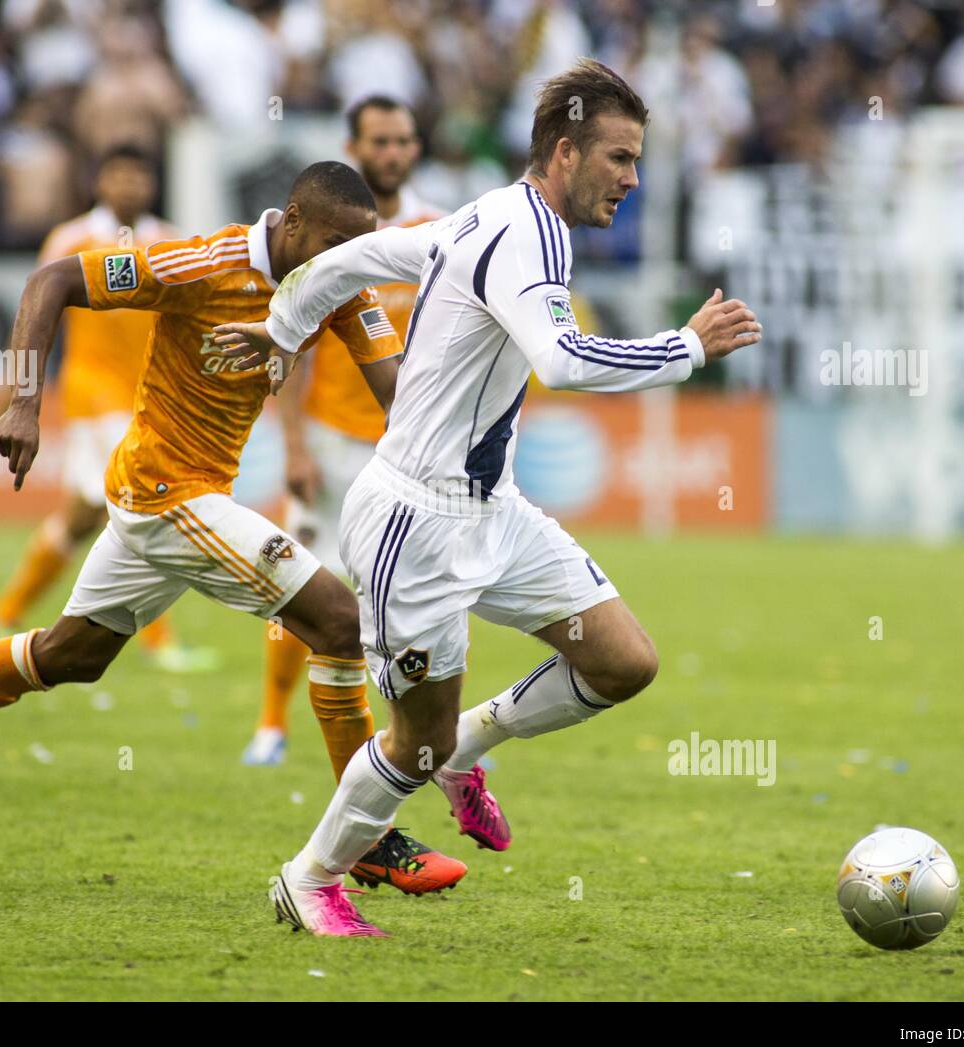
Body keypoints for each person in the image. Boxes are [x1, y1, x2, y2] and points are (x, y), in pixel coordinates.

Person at [216, 61, 762, 937]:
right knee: (412, 743)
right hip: (415, 528)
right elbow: (563, 360)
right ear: (564, 150)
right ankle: (309, 877)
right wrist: (686, 347)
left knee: (623, 662)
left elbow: (357, 256)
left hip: (494, 514)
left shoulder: (489, 215)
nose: (633, 179)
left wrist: (282, 330)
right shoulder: (525, 235)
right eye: (619, 158)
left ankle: (467, 747)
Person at [0, 162, 466, 897]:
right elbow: (52, 283)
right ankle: (369, 840)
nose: (345, 261)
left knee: (72, 656)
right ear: (292, 221)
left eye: (358, 249)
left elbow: (398, 391)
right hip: (171, 495)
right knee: (338, 620)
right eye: (332, 243)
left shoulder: (338, 283)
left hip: (168, 498)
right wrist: (25, 403)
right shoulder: (203, 263)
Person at [243, 95, 444, 771]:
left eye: (403, 140)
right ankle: (271, 723)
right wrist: (294, 444)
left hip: (404, 449)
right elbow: (294, 347)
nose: (393, 152)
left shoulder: (436, 231)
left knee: (410, 595)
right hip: (329, 441)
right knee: (300, 583)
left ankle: (422, 734)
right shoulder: (334, 236)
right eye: (379, 141)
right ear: (354, 148)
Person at [0, 143, 209, 672]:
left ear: (151, 185)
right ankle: (161, 643)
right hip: (92, 393)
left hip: (147, 394)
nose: (128, 185)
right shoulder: (71, 237)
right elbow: (37, 309)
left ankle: (3, 611)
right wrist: (16, 393)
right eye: (118, 175)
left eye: (139, 175)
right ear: (99, 182)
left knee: (84, 516)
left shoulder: (171, 240)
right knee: (148, 500)